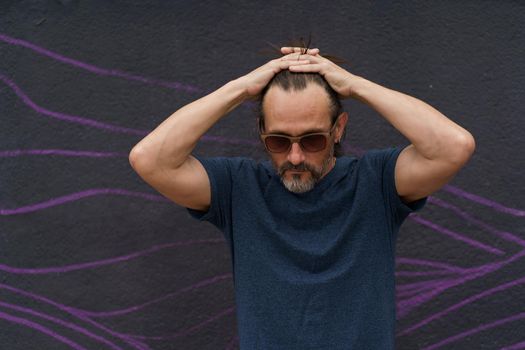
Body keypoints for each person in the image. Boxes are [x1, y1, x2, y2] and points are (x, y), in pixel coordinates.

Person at [129, 46, 475, 349]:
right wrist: (240, 90)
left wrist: (354, 85)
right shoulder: (239, 188)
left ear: (338, 129)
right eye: (278, 141)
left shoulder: (376, 183)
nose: (294, 157)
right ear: (262, 132)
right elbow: (150, 159)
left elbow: (452, 147)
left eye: (312, 140)